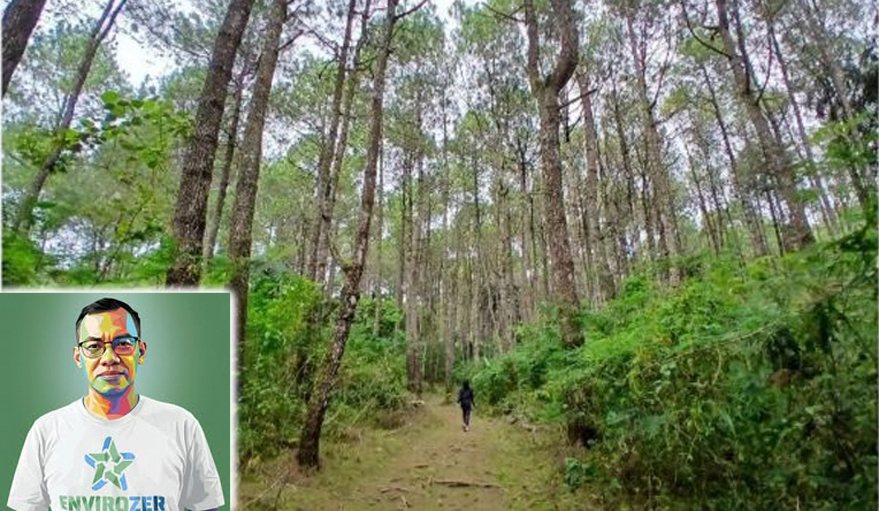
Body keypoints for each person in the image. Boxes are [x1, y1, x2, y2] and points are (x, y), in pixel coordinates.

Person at [8, 298, 224, 511]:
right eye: (94, 346)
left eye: (123, 344)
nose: (109, 358)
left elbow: (206, 506)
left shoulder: (181, 425)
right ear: (78, 357)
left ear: (141, 351)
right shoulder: (47, 431)